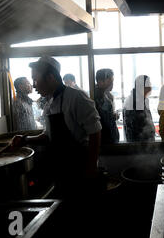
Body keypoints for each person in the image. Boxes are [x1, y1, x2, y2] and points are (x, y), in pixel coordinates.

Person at [11, 56, 102, 198]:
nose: (34, 85)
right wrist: (25, 140)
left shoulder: (76, 98)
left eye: (35, 79)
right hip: (61, 168)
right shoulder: (49, 104)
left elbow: (95, 132)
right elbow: (48, 136)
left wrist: (91, 168)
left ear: (50, 77)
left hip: (80, 166)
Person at [123, 75, 155, 142]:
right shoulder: (133, 102)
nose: (150, 88)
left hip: (145, 144)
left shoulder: (142, 100)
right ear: (141, 87)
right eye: (148, 85)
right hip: (140, 146)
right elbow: (132, 130)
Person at [95, 68, 119, 144]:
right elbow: (103, 120)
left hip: (110, 137)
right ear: (100, 82)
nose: (112, 84)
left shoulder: (107, 95)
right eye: (110, 81)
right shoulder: (96, 97)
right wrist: (112, 117)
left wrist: (113, 115)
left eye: (112, 81)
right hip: (105, 140)